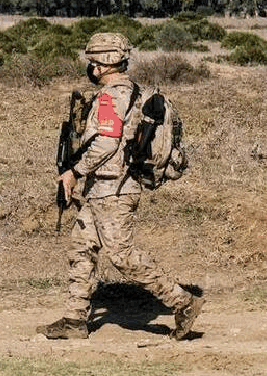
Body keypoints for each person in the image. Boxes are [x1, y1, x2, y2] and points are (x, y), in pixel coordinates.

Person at [38, 32, 204, 340]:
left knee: (122, 256)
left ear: (101, 65)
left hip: (113, 189)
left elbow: (105, 143)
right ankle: (74, 320)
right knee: (82, 247)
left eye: (92, 62)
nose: (90, 68)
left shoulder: (109, 96)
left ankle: (182, 302)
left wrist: (74, 171)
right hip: (102, 188)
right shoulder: (132, 91)